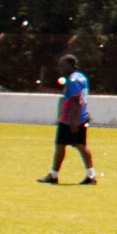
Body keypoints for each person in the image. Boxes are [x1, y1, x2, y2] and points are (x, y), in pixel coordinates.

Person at [41, 53, 96, 184]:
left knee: (62, 146)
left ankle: (54, 176)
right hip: (80, 118)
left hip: (70, 119)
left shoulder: (73, 80)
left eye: (63, 65)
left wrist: (73, 121)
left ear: (70, 65)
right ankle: (91, 176)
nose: (60, 68)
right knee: (80, 146)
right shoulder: (81, 77)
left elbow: (76, 101)